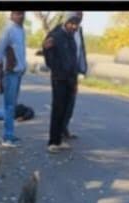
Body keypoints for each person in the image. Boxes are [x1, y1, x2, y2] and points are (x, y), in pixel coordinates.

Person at [42, 13, 81, 153]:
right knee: (57, 110)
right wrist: (57, 70)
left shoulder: (71, 39)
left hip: (70, 79)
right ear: (66, 22)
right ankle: (52, 142)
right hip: (59, 79)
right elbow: (48, 55)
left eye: (77, 24)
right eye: (72, 23)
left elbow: (74, 62)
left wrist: (75, 82)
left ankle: (59, 140)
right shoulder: (56, 36)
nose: (74, 26)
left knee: (65, 111)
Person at [0, 11, 27, 147]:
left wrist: (23, 67)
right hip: (10, 73)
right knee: (9, 106)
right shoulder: (8, 30)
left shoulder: (21, 30)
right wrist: (0, 73)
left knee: (12, 105)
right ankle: (7, 138)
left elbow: (21, 52)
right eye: (18, 14)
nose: (21, 16)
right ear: (12, 15)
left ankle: (10, 135)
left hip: (18, 73)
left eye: (22, 13)